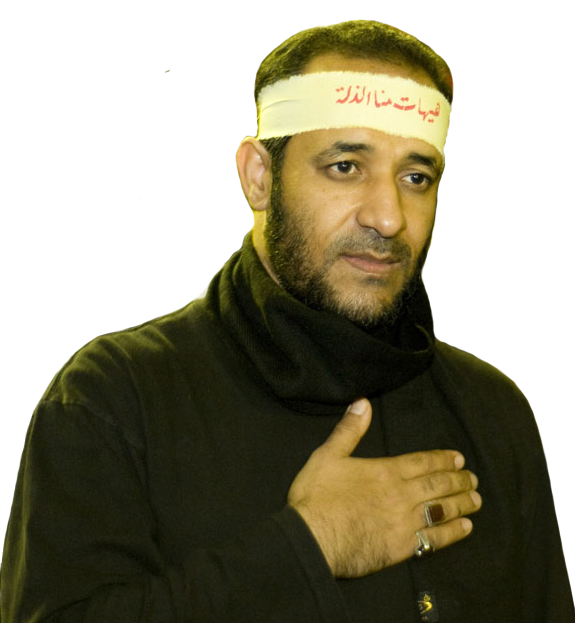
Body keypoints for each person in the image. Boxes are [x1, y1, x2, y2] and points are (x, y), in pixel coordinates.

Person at [1, 19, 573, 623]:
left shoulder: (492, 412)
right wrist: (308, 548)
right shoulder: (115, 398)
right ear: (260, 177)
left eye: (416, 177)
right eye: (345, 166)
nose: (388, 217)